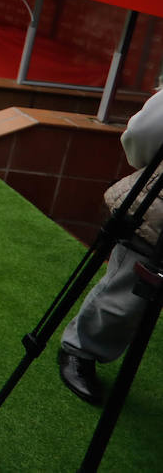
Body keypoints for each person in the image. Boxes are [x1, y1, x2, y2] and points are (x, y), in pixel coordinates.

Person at [58, 86, 163, 404]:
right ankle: (81, 349)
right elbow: (145, 133)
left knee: (128, 290)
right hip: (158, 215)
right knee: (128, 290)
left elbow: (142, 136)